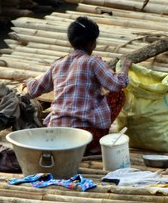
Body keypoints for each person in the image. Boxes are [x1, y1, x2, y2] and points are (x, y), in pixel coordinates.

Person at [22, 16, 131, 150]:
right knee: (118, 94)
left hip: (57, 135)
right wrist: (125, 68)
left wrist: (29, 81)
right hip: (85, 137)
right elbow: (116, 84)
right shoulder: (93, 62)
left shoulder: (58, 64)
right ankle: (95, 144)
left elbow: (34, 90)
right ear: (92, 43)